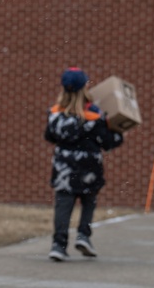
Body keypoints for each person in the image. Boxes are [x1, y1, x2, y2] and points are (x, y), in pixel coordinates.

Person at [44, 67, 124, 261]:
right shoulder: (94, 116)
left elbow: (48, 136)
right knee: (88, 201)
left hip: (63, 167)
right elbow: (107, 142)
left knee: (63, 204)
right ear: (84, 88)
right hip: (89, 166)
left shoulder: (55, 114)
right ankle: (83, 235)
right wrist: (119, 134)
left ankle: (58, 244)